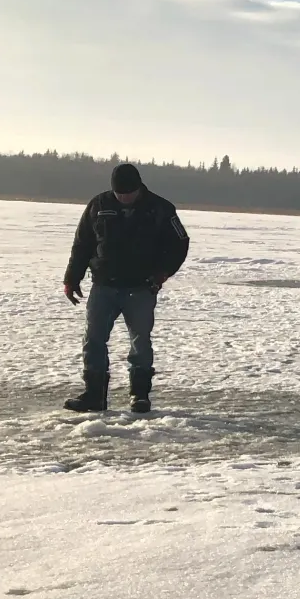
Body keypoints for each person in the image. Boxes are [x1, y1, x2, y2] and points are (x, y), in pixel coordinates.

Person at [61, 163, 190, 413]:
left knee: (140, 342)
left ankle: (139, 395)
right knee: (93, 340)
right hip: (103, 286)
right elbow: (82, 245)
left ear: (139, 188)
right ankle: (94, 395)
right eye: (119, 194)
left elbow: (180, 244)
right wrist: (71, 279)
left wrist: (163, 273)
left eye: (129, 194)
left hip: (141, 288)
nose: (124, 199)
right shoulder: (98, 206)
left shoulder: (160, 209)